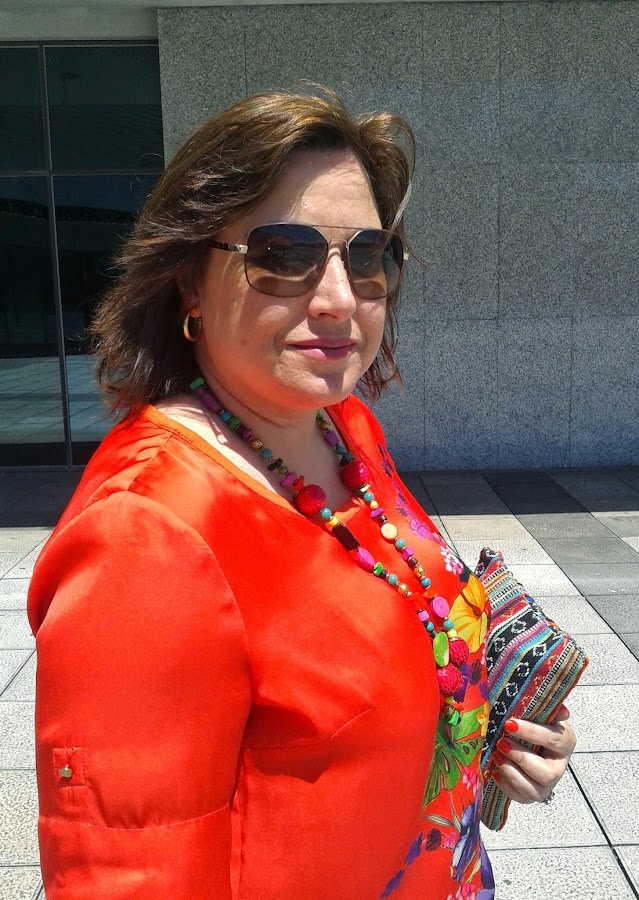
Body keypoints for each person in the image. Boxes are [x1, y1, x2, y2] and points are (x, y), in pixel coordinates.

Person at [28, 88, 575, 899]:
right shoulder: (147, 536)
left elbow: (399, 624)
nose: (338, 297)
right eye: (282, 254)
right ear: (188, 279)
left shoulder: (344, 430)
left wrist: (485, 734)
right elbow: (126, 872)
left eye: (367, 255)